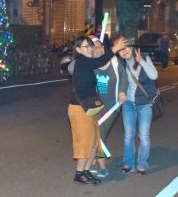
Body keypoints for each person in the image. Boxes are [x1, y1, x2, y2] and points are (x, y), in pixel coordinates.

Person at [68, 34, 130, 185]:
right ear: (78, 49)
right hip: (79, 108)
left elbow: (102, 64)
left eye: (91, 46)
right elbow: (100, 60)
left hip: (89, 109)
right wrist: (115, 48)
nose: (90, 49)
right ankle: (79, 173)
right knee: (85, 142)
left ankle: (86, 171)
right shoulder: (81, 62)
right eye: (86, 46)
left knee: (95, 143)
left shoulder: (88, 63)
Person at [90, 36, 129, 178]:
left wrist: (122, 91)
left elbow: (123, 77)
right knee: (93, 136)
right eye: (94, 47)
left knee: (99, 134)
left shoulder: (113, 61)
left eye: (100, 46)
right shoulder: (90, 64)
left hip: (111, 107)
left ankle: (102, 167)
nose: (98, 49)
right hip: (93, 107)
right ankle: (94, 160)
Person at [117, 40, 159, 175]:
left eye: (126, 48)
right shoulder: (120, 63)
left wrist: (142, 62)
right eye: (120, 50)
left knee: (144, 135)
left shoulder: (144, 58)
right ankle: (128, 163)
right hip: (128, 104)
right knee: (128, 135)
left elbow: (154, 75)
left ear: (132, 47)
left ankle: (142, 163)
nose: (124, 52)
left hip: (144, 103)